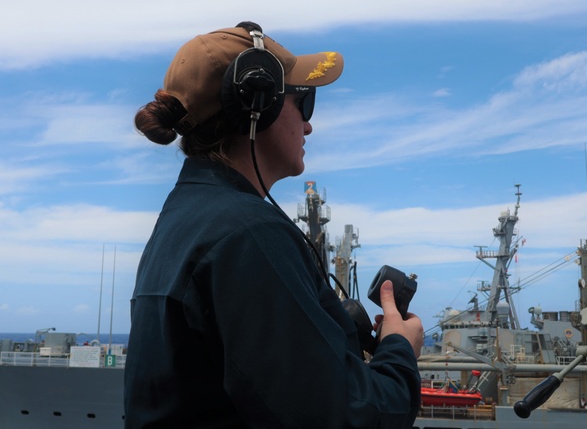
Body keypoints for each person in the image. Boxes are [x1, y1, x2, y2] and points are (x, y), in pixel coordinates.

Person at [124, 22, 424, 428]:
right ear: (256, 103)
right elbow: (345, 418)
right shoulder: (249, 235)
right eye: (305, 101)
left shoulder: (182, 220)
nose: (309, 124)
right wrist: (398, 350)